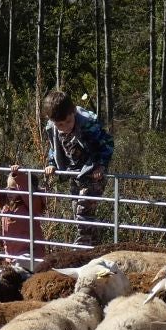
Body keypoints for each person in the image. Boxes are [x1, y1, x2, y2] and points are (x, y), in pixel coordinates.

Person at [41, 88, 114, 251]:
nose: (65, 127)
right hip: (75, 174)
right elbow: (54, 147)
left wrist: (101, 164)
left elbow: (106, 144)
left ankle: (79, 251)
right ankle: (96, 251)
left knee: (83, 212)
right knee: (79, 213)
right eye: (60, 124)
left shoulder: (87, 123)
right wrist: (52, 163)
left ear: (73, 112)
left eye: (68, 121)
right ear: (51, 121)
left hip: (94, 174)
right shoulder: (52, 128)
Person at [0, 161, 42, 263]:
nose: (9, 191)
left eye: (14, 189)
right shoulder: (4, 200)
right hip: (10, 254)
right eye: (8, 188)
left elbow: (28, 195)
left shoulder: (31, 204)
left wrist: (19, 177)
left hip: (31, 254)